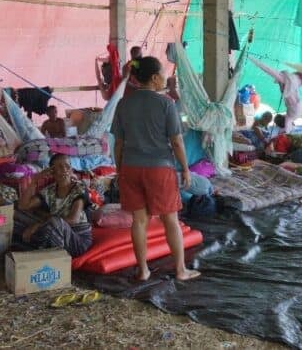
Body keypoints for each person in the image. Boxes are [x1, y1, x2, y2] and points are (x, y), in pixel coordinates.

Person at [112, 56, 200, 282]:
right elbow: (177, 141)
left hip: (130, 167)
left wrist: (120, 170)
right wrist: (185, 168)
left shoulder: (124, 103)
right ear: (153, 78)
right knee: (170, 220)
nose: (165, 79)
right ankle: (181, 270)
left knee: (139, 222)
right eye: (162, 75)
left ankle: (142, 270)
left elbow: (118, 143)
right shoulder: (166, 104)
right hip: (159, 170)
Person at [14, 153, 93, 257]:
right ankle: (37, 246)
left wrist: (37, 226)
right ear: (52, 172)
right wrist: (34, 181)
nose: (65, 169)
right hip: (52, 230)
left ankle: (48, 255)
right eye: (60, 167)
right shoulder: (49, 191)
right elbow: (23, 206)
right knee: (17, 213)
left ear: (71, 169)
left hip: (77, 239)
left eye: (67, 166)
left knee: (54, 222)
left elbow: (73, 219)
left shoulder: (79, 188)